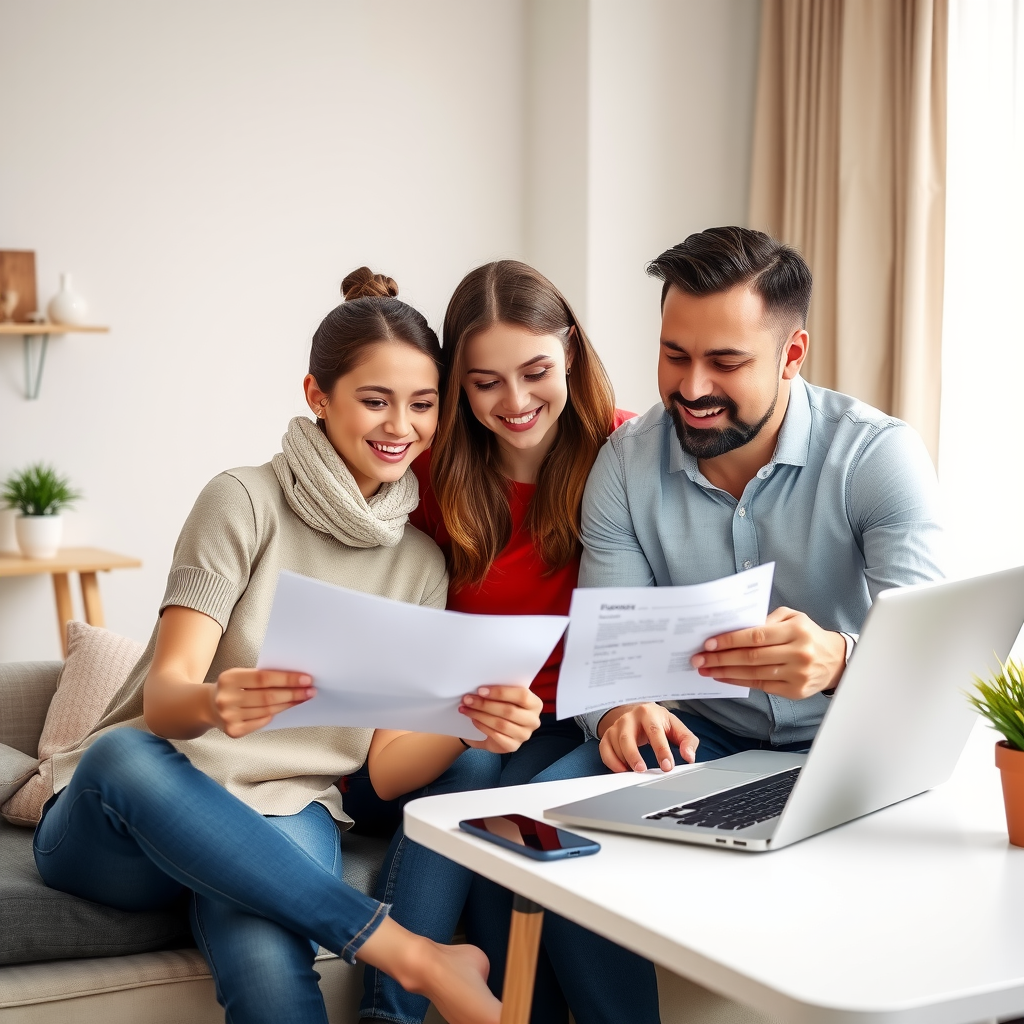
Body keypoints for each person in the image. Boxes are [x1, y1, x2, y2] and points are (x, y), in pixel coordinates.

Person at [33, 268, 544, 1024]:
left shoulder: (421, 563)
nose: (400, 426)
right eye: (375, 400)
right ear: (317, 396)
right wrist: (215, 700)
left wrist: (465, 723)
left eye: (423, 404)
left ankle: (405, 955)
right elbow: (168, 698)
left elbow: (384, 762)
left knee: (271, 976)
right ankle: (413, 956)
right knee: (120, 755)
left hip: (287, 810)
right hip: (137, 813)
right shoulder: (241, 500)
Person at [487, 226, 946, 1014]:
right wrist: (620, 711)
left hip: (846, 749)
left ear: (792, 353)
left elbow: (939, 665)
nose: (692, 385)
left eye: (726, 362)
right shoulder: (625, 466)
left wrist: (841, 659)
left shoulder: (876, 457)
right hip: (696, 742)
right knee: (538, 832)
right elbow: (608, 658)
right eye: (674, 354)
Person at [353, 260, 640, 1024]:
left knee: (515, 820)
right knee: (474, 763)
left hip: (565, 721)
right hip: (455, 720)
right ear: (458, 384)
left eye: (536, 371)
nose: (515, 403)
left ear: (571, 351)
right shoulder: (434, 471)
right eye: (485, 382)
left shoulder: (627, 453)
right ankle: (394, 1009)